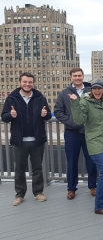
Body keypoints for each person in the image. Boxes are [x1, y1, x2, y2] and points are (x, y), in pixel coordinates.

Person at [69, 79, 103, 215]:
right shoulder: (85, 102)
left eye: (100, 88)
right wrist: (75, 103)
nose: (97, 91)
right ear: (91, 90)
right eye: (94, 88)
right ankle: (99, 206)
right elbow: (79, 120)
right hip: (95, 142)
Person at [1, 72, 52, 206]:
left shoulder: (40, 97)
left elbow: (48, 116)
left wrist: (45, 114)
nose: (27, 84)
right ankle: (20, 194)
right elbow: (4, 117)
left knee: (37, 168)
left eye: (30, 82)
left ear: (33, 83)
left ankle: (38, 192)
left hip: (37, 140)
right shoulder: (12, 98)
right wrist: (10, 115)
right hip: (19, 141)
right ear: (20, 82)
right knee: (19, 169)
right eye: (25, 82)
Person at [54, 67, 97, 200]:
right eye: (75, 76)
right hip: (72, 132)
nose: (77, 78)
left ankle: (93, 186)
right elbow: (58, 111)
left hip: (89, 132)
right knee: (72, 161)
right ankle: (71, 188)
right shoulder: (64, 93)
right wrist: (72, 122)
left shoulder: (91, 91)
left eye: (79, 75)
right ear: (71, 77)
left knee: (92, 160)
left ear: (83, 76)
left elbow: (97, 107)